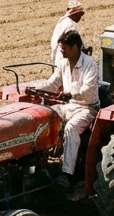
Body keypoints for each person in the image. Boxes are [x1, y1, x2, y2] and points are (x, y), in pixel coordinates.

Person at [41, 29, 100, 192]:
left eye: (64, 48)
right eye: (61, 48)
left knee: (71, 128)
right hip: (68, 105)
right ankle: (44, 160)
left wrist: (71, 94)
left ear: (75, 47)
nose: (61, 51)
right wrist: (36, 88)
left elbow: (88, 90)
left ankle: (66, 173)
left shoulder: (89, 65)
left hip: (87, 108)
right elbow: (53, 83)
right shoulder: (63, 63)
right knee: (46, 116)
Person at [49, 0, 84, 65]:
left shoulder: (62, 21)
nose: (79, 17)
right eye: (78, 14)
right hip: (64, 60)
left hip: (56, 58)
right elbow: (74, 42)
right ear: (73, 13)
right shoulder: (70, 25)